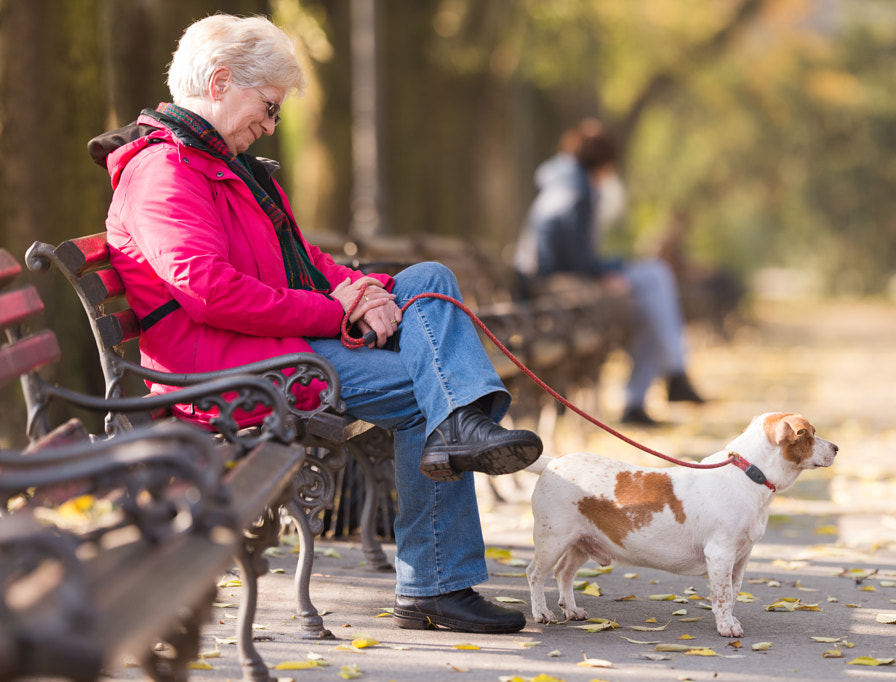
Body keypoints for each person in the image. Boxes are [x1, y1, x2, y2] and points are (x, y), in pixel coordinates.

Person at [92, 14, 541, 634]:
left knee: (427, 279)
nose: (271, 125)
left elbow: (303, 262)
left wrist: (361, 288)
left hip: (276, 344)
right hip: (230, 369)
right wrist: (340, 310)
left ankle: (463, 422)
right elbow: (209, 292)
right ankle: (437, 580)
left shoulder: (224, 164)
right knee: (427, 393)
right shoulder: (165, 172)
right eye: (268, 107)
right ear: (221, 81)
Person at [515, 119, 705, 426]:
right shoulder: (579, 189)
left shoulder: (564, 180)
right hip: (556, 283)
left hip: (547, 277)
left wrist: (609, 268)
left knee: (649, 306)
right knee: (655, 276)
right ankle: (675, 372)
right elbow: (574, 259)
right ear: (605, 164)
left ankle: (640, 400)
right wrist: (608, 271)